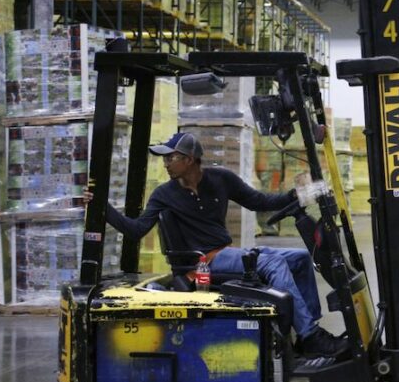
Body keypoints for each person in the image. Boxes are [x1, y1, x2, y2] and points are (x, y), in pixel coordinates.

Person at [86, 131, 347, 359]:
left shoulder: (220, 179)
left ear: (189, 159)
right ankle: (312, 336)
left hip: (225, 253)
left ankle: (306, 332)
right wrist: (102, 207)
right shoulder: (163, 195)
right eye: (164, 158)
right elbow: (136, 230)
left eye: (170, 158)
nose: (165, 163)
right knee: (273, 262)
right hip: (201, 263)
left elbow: (259, 201)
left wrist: (296, 195)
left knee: (300, 258)